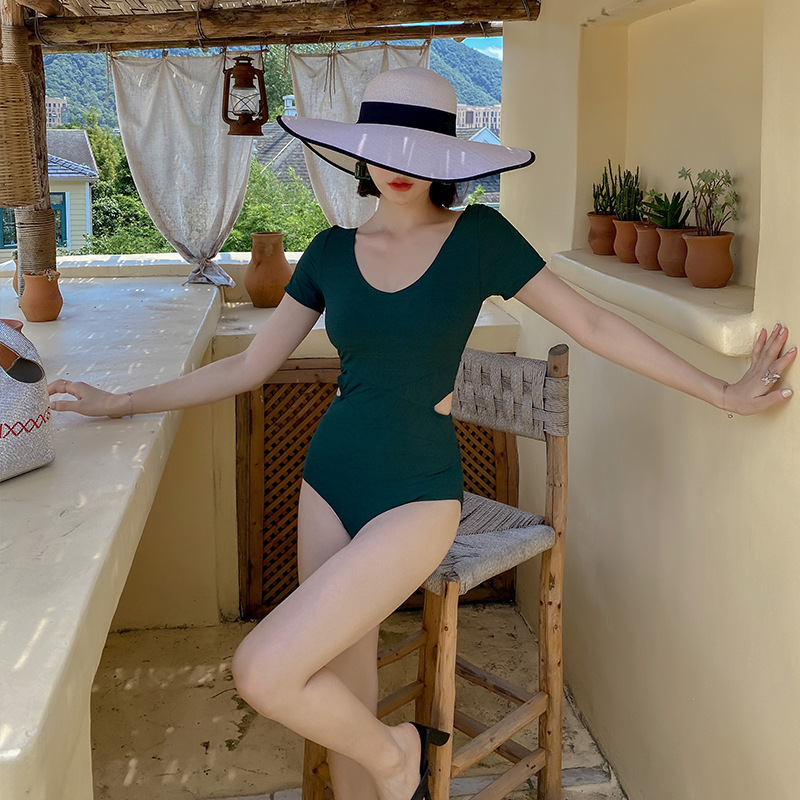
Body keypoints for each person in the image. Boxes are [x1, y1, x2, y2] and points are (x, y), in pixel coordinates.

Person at [49, 68, 795, 800]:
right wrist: (122, 401)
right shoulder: (329, 252)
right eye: (383, 147)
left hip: (418, 494)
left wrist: (722, 391)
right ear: (361, 153)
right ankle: (385, 765)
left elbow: (593, 324)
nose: (398, 165)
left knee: (264, 670)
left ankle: (400, 753)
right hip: (327, 483)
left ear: (447, 160)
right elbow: (249, 365)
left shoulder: (480, 237)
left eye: (419, 150)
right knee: (340, 684)